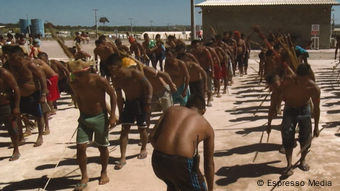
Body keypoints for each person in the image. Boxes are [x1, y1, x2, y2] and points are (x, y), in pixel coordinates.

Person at [68, 59, 117, 191]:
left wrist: (112, 115)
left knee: (102, 147)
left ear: (88, 71)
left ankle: (104, 172)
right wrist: (80, 112)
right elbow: (78, 97)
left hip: (100, 116)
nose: (79, 78)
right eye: (76, 75)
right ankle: (84, 176)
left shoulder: (99, 80)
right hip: (84, 117)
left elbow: (112, 95)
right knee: (80, 146)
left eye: (81, 74)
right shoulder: (74, 83)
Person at [149, 93, 215, 191]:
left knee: (173, 183)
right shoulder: (207, 127)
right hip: (182, 164)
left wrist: (165, 155)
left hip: (158, 161)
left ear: (186, 106)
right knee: (181, 179)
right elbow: (208, 164)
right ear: (203, 111)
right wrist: (210, 189)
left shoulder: (170, 110)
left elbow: (152, 137)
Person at [266, 63, 320, 176]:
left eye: (304, 80)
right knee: (287, 135)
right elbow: (278, 93)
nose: (301, 82)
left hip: (304, 110)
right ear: (296, 75)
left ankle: (302, 160)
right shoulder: (288, 81)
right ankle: (289, 164)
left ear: (309, 76)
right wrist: (274, 109)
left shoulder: (313, 88)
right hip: (290, 109)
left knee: (306, 137)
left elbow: (316, 108)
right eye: (299, 79)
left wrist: (316, 127)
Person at [106, 53, 153, 170]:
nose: (111, 71)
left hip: (141, 102)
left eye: (112, 69)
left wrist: (147, 103)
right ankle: (122, 157)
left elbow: (148, 86)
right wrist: (120, 112)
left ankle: (143, 148)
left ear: (119, 66)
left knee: (142, 128)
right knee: (124, 130)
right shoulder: (115, 79)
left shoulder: (134, 73)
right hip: (129, 103)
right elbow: (119, 96)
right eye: (109, 69)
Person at [2, 45, 48, 147]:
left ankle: (40, 136)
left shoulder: (30, 65)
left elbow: (42, 78)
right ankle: (21, 137)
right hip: (19, 95)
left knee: (38, 115)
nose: (11, 61)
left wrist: (43, 94)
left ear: (21, 56)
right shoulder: (9, 65)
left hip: (34, 94)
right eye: (9, 58)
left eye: (13, 58)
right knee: (17, 116)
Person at [0, 67, 21, 161]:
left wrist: (16, 107)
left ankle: (16, 149)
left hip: (5, 105)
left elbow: (16, 89)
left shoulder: (4, 73)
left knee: (12, 129)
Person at [190, 40, 214, 107]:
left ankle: (208, 100)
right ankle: (200, 100)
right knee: (201, 87)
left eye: (197, 46)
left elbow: (211, 61)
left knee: (208, 86)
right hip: (198, 72)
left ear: (200, 45)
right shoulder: (192, 53)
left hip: (206, 70)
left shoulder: (205, 51)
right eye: (194, 46)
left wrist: (213, 71)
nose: (196, 48)